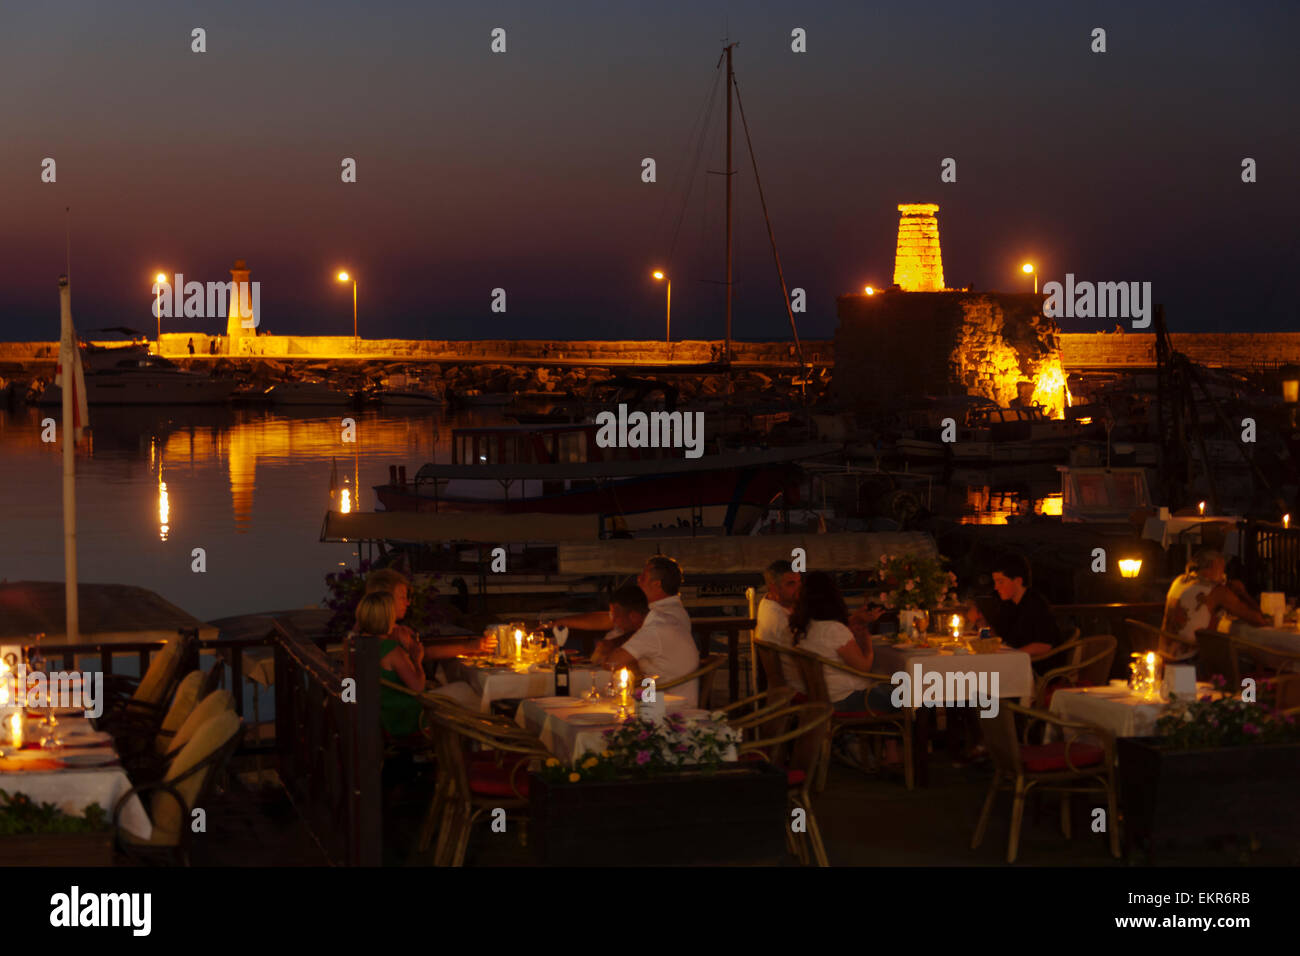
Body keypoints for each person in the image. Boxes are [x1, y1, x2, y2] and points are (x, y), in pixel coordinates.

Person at [604, 556, 701, 706]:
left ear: (634, 616)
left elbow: (612, 663)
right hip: (660, 695)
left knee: (605, 703)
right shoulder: (662, 618)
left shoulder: (655, 628)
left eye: (616, 617)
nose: (614, 623)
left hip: (669, 705)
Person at [1162, 548, 1269, 658]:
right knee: (1246, 658)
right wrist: (1242, 593)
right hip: (1192, 658)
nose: (1224, 576)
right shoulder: (1216, 591)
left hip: (1165, 654)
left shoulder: (1179, 580)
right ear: (1213, 566)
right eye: (1222, 570)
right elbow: (1259, 620)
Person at [354, 592, 425, 738]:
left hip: (376, 713)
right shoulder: (392, 650)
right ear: (387, 617)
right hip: (402, 717)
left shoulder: (358, 644)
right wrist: (417, 660)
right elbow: (418, 687)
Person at [981, 554, 1063, 662]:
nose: (996, 587)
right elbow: (1000, 636)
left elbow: (1044, 645)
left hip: (1038, 666)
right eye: (995, 582)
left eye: (1001, 582)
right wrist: (981, 623)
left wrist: (1012, 656)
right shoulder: (1009, 605)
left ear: (1018, 581)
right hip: (1017, 661)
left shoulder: (1036, 604)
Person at [755, 560, 803, 691]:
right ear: (774, 588)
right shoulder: (778, 620)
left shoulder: (770, 601)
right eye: (791, 584)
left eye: (799, 582)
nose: (799, 588)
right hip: (804, 687)